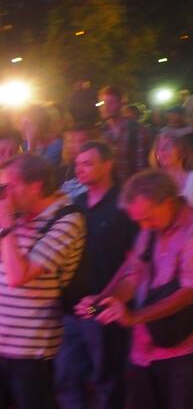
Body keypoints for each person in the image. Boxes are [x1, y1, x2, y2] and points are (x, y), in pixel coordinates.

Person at [81, 170, 193, 409]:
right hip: (144, 348)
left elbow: (191, 292)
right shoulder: (149, 231)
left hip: (183, 350)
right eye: (139, 221)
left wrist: (136, 317)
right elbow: (133, 278)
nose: (143, 226)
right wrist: (102, 302)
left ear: (168, 202)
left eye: (147, 218)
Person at [56, 141, 138, 409]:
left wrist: (109, 298)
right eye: (77, 164)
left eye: (87, 163)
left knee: (107, 381)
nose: (80, 169)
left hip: (104, 309)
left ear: (107, 165)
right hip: (71, 308)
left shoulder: (123, 206)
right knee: (66, 379)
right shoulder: (76, 204)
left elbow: (136, 262)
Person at [0, 154, 86, 409]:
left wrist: (5, 226)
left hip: (31, 350)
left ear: (35, 186)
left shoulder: (67, 219)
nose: (5, 194)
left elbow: (17, 276)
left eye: (10, 186)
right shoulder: (16, 215)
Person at [99, 85, 149, 181]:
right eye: (102, 103)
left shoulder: (136, 130)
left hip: (130, 186)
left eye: (111, 103)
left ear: (121, 104)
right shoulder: (101, 132)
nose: (105, 107)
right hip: (109, 188)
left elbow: (141, 167)